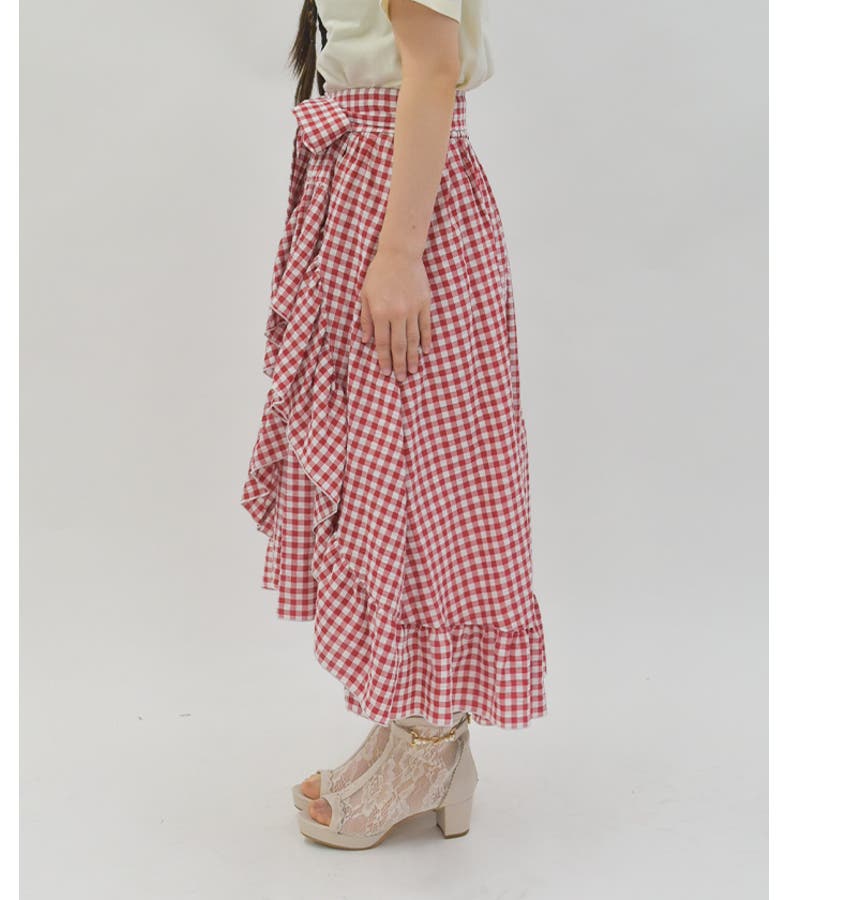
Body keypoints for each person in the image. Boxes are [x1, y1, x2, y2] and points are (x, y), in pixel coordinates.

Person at [240, 0, 548, 850]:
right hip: (370, 183)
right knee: (388, 473)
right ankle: (413, 725)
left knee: (419, 477)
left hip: (405, 198)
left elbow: (433, 67)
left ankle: (433, 748)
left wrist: (401, 253)